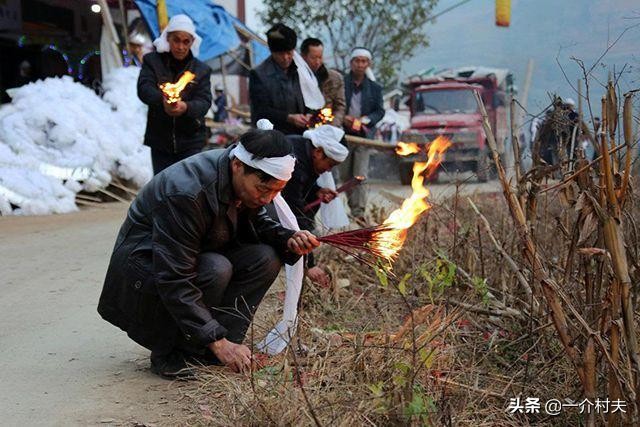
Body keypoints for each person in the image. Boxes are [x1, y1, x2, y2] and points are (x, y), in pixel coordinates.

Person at [98, 129, 320, 379]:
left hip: (193, 255)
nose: (268, 198)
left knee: (265, 259)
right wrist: (217, 341)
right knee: (216, 268)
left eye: (276, 192)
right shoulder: (186, 193)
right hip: (145, 273)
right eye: (263, 189)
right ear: (238, 165)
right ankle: (175, 353)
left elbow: (255, 219)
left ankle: (214, 349)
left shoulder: (241, 180)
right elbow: (174, 277)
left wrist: (286, 238)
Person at [137, 14, 212, 174]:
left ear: (192, 42)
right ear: (168, 39)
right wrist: (162, 100)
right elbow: (144, 89)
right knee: (163, 189)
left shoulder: (201, 70)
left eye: (186, 42)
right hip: (160, 139)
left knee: (188, 189)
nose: (180, 47)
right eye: (176, 40)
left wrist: (185, 107)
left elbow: (204, 102)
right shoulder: (152, 61)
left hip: (191, 140)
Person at [281, 125, 349, 286]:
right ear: (318, 152)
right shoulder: (295, 163)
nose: (328, 171)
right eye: (330, 165)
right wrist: (309, 264)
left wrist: (316, 191)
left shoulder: (306, 152)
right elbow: (293, 211)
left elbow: (300, 191)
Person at [341, 47, 384, 223]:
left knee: (359, 175)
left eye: (363, 61)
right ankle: (353, 206)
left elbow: (379, 111)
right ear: (351, 63)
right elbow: (333, 105)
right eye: (357, 61)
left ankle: (358, 211)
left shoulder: (375, 88)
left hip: (364, 138)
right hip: (342, 136)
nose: (360, 64)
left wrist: (365, 120)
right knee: (345, 176)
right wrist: (344, 119)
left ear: (368, 64)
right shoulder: (341, 83)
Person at [249, 23, 309, 134]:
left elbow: (310, 97)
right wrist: (288, 117)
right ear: (272, 52)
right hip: (272, 136)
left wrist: (309, 114)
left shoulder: (300, 71)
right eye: (281, 54)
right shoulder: (258, 74)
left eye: (289, 53)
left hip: (301, 133)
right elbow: (260, 110)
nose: (286, 58)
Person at [300, 38, 346, 128]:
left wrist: (332, 126)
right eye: (313, 58)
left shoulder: (334, 78)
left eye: (320, 57)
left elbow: (340, 107)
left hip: (328, 126)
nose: (317, 62)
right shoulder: (294, 76)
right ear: (303, 57)